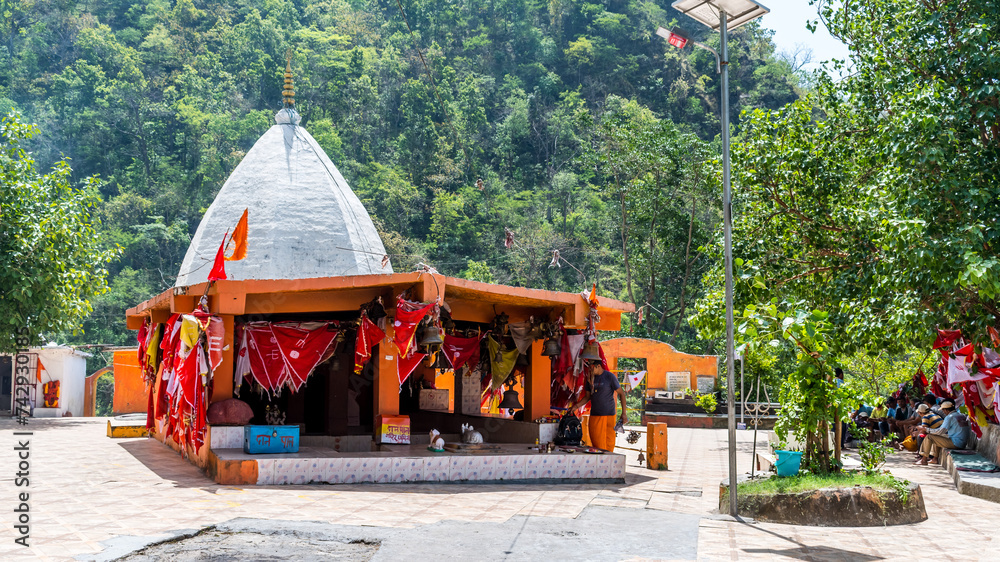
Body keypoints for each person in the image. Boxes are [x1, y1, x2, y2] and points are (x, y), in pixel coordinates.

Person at [570, 360, 627, 452]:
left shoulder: (609, 376)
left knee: (609, 443)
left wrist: (624, 413)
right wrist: (576, 406)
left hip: (610, 415)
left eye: (591, 368)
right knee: (597, 444)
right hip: (596, 415)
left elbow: (621, 394)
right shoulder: (589, 379)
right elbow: (587, 397)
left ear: (598, 366)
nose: (590, 371)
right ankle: (601, 463)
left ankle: (608, 463)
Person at [916, 401, 969, 465]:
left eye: (943, 410)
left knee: (930, 437)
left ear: (946, 410)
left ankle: (923, 460)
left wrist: (926, 429)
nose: (943, 412)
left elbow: (940, 431)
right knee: (935, 436)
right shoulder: (961, 415)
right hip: (962, 443)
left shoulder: (949, 417)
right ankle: (934, 459)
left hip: (956, 443)